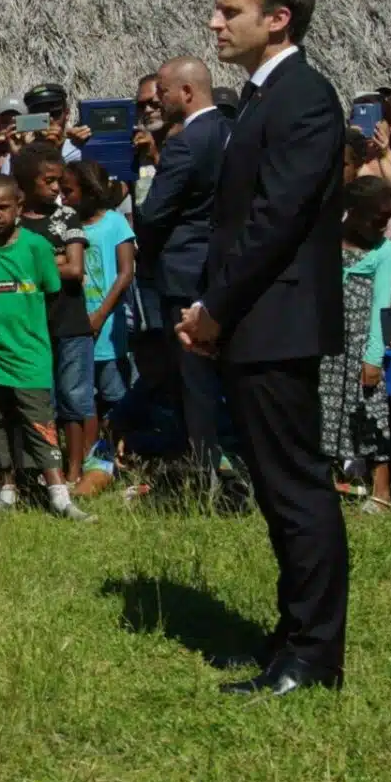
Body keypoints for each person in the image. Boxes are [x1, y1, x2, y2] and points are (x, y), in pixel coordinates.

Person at [177, 0, 347, 696]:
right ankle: (292, 637)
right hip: (254, 315)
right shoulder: (264, 98)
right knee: (279, 490)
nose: (215, 23)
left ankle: (312, 656)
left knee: (296, 488)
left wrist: (216, 308)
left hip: (274, 318)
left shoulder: (304, 98)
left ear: (277, 18)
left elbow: (275, 221)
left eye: (229, 11)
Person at [0, 177, 92, 521]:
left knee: (40, 423)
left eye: (3, 207)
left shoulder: (36, 246)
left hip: (29, 352)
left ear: (18, 207)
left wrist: (28, 331)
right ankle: (7, 491)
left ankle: (59, 495)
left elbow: (51, 292)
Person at [133, 56, 231, 484]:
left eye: (165, 92)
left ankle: (205, 469)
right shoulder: (231, 132)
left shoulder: (186, 143)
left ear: (187, 93)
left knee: (195, 378)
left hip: (184, 269)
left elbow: (154, 214)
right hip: (225, 268)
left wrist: (149, 255)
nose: (159, 99)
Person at [14, 144, 97, 483]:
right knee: (40, 399)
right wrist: (54, 261)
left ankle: (76, 469)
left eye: (58, 182)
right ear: (26, 182)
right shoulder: (14, 223)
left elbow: (75, 269)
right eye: (47, 181)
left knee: (74, 397)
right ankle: (50, 472)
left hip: (70, 322)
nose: (54, 188)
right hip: (31, 325)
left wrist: (32, 267)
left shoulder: (66, 217)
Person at [318, 177, 391, 510]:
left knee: (371, 412)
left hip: (365, 345)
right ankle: (329, 483)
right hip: (326, 342)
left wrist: (377, 356)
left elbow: (386, 306)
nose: (383, 228)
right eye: (377, 221)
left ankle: (382, 492)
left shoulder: (386, 251)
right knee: (324, 410)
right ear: (353, 213)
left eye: (387, 222)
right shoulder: (326, 240)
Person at [66, 160, 137, 425]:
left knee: (114, 392)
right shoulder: (65, 225)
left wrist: (100, 315)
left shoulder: (115, 223)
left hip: (106, 326)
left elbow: (126, 273)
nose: (64, 197)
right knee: (81, 393)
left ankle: (120, 446)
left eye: (69, 191)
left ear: (88, 191)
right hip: (75, 323)